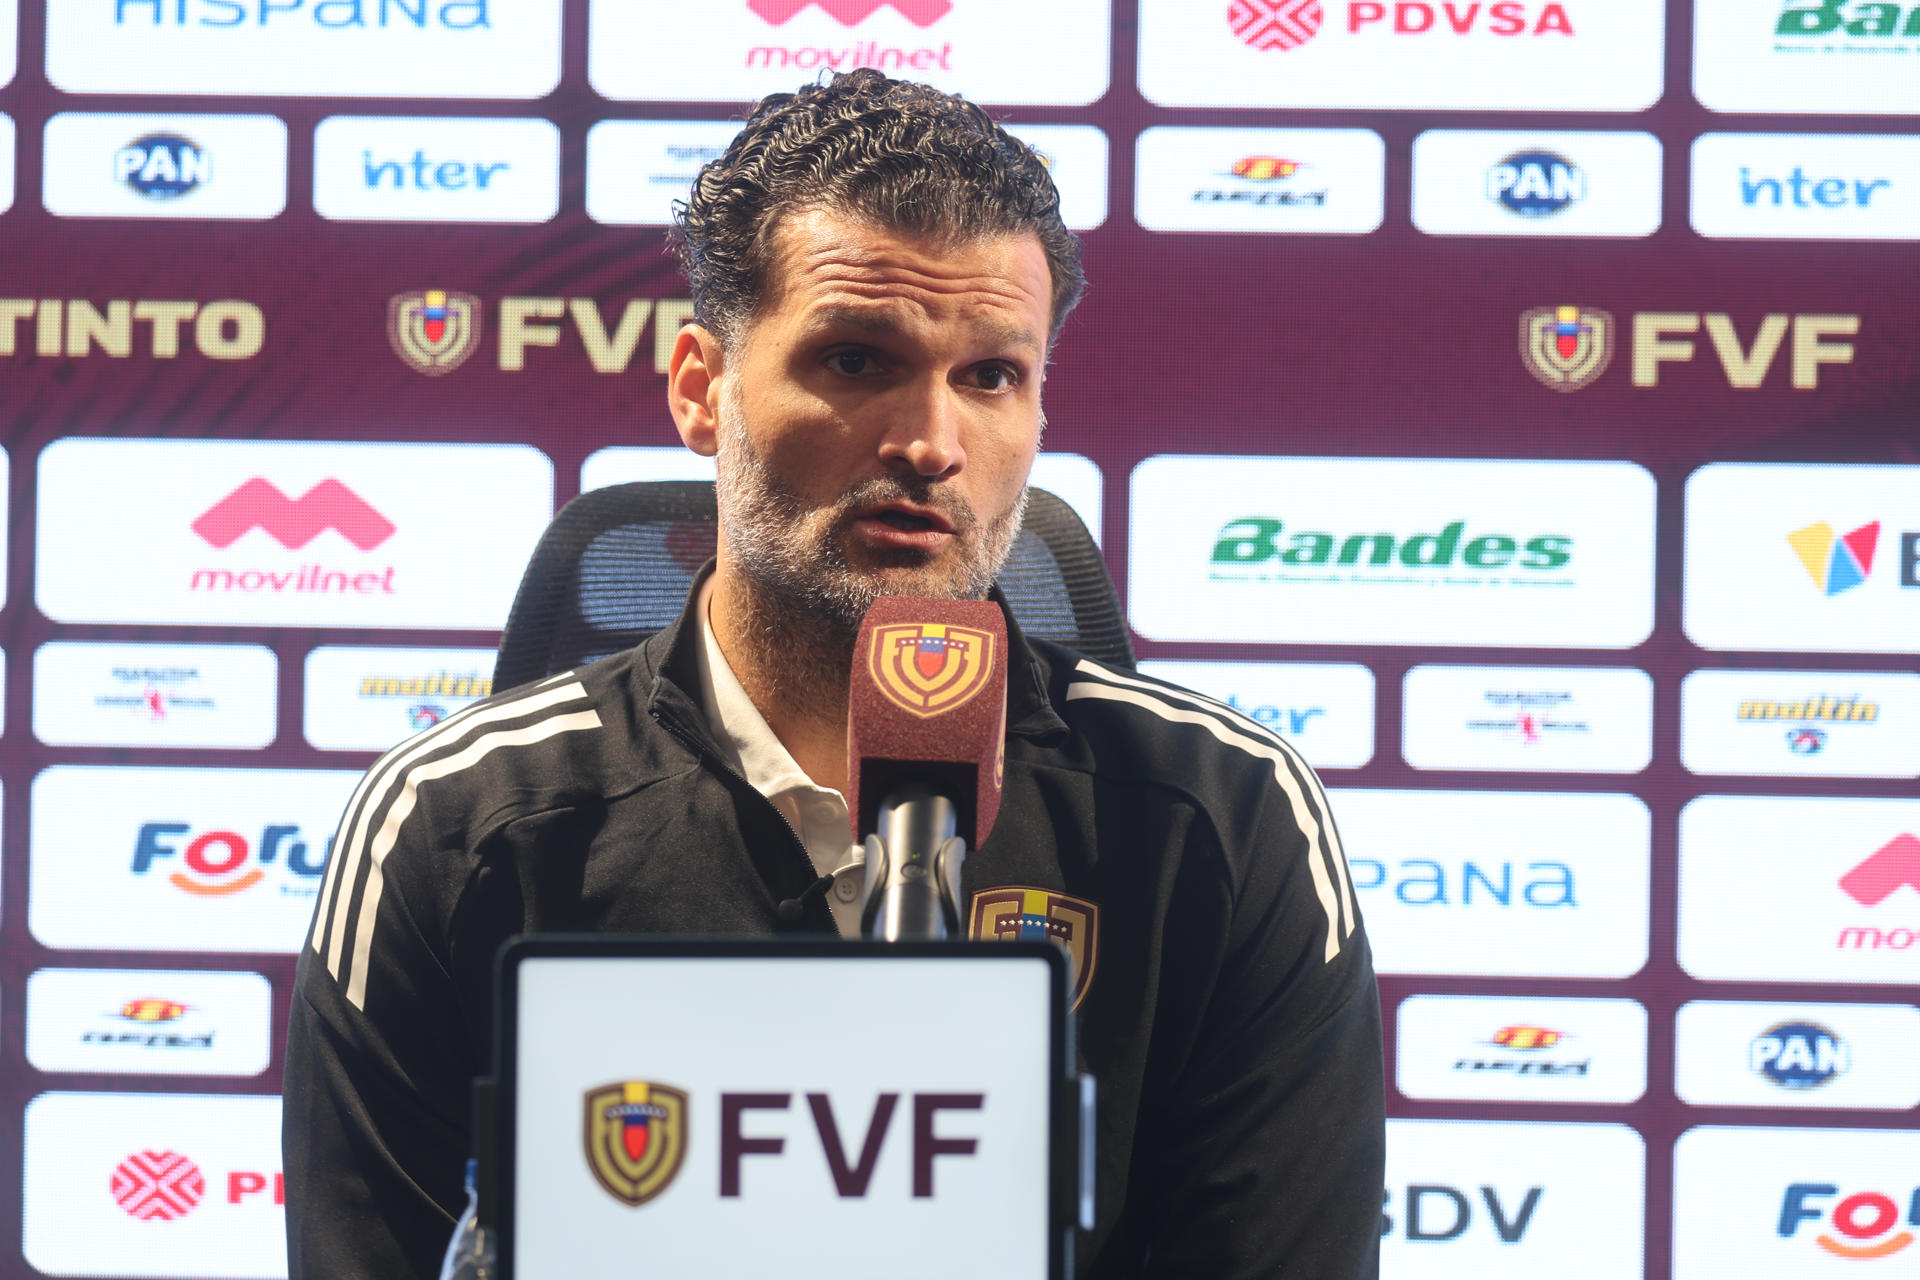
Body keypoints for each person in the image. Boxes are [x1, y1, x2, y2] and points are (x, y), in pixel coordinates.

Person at [283, 69, 1384, 1278]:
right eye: (857, 361)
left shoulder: (1221, 811)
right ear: (703, 389)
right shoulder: (459, 820)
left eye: (990, 375)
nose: (930, 442)